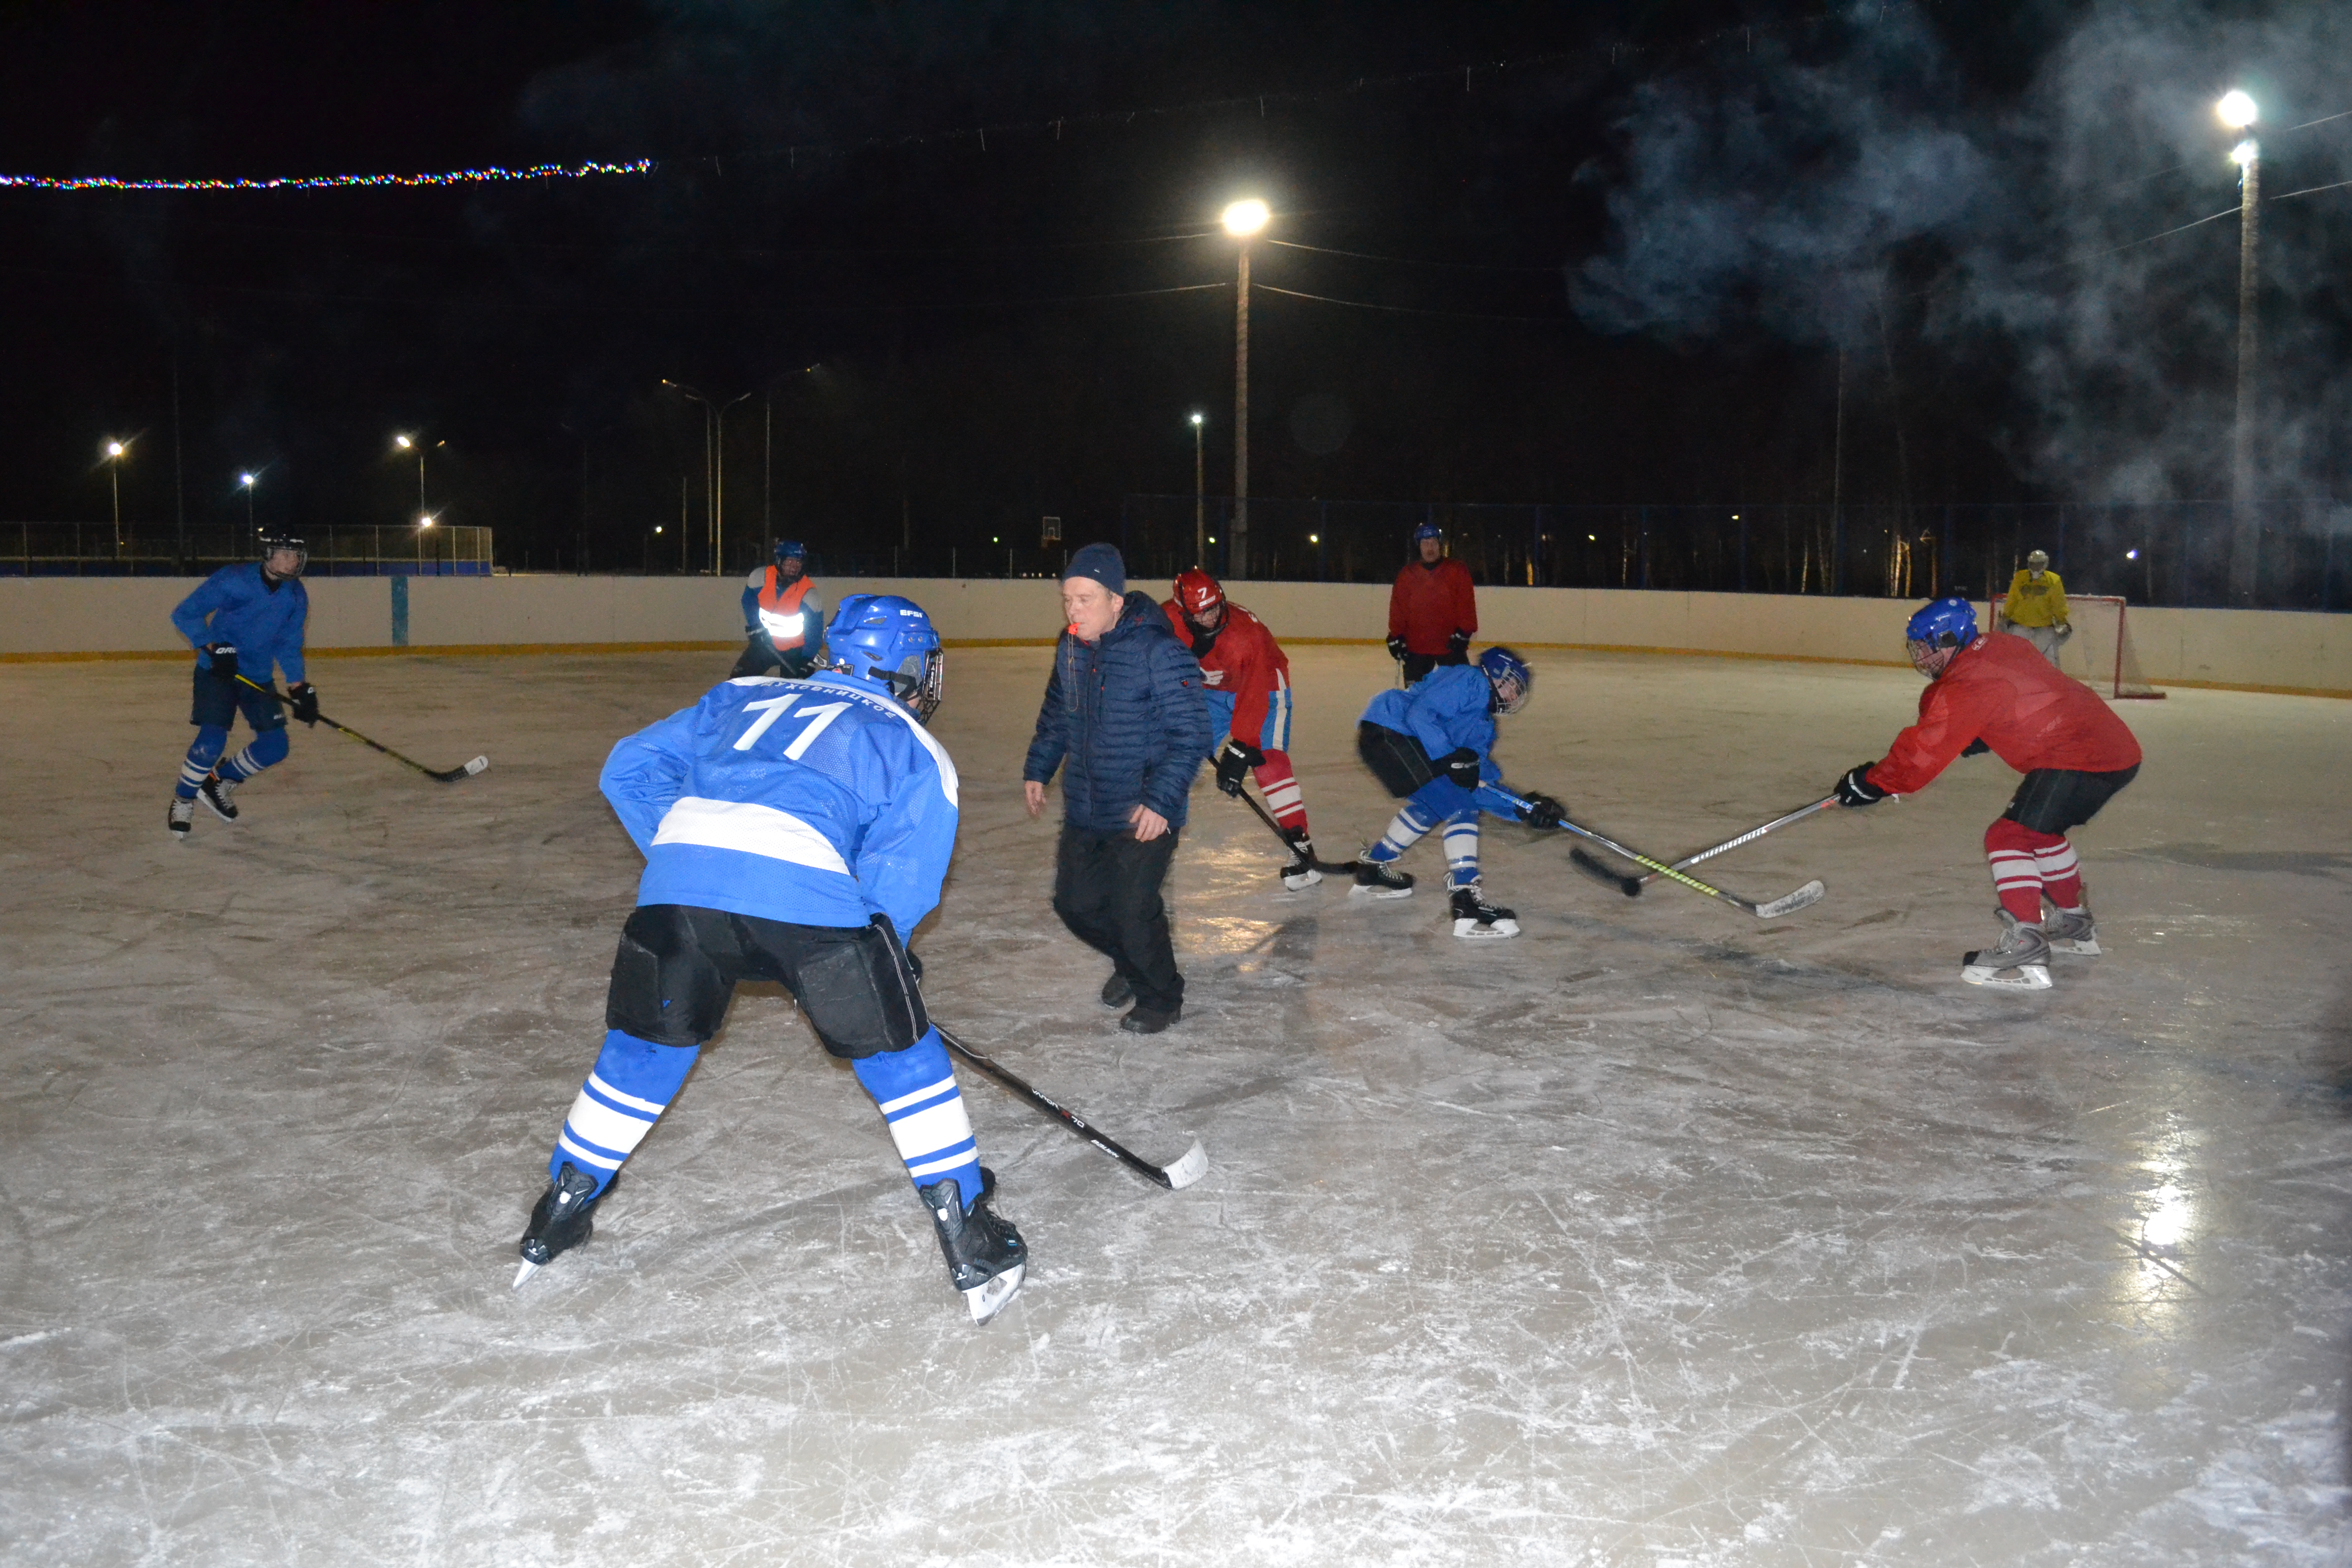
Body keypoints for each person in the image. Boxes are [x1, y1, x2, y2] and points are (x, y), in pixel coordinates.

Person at [516, 594, 1028, 1325]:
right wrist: (885, 954)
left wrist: (701, 856)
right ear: (910, 669)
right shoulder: (916, 748)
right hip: (808, 901)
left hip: (679, 894)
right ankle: (971, 1237)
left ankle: (558, 1213)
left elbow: (625, 771)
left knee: (641, 1053)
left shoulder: (741, 691)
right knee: (901, 1061)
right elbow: (900, 884)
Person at [1831, 596, 2142, 991]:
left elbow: (1920, 758)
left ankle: (2026, 943)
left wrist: (1870, 783)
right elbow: (2022, 694)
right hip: (2114, 750)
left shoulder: (1968, 684)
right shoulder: (2002, 645)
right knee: (2041, 832)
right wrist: (1982, 732)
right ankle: (2074, 922)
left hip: (2077, 756)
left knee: (2009, 836)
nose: (1922, 658)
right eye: (1917, 649)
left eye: (1928, 647)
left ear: (1953, 637)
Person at [1022, 544, 1213, 1034]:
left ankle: (1161, 996)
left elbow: (1192, 733)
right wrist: (1039, 769)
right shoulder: (1069, 648)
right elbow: (1055, 716)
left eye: (1084, 599)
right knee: (1076, 905)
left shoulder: (1158, 651)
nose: (1073, 610)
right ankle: (1133, 964)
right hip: (1087, 805)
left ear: (1115, 600)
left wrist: (1161, 801)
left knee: (1132, 910)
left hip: (1143, 810)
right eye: (1067, 599)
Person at [1351, 647, 1566, 940]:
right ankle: (1465, 901)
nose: (1515, 695)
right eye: (1511, 685)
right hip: (1390, 734)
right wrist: (1449, 758)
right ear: (1495, 675)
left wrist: (1524, 808)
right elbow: (1420, 714)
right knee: (1459, 807)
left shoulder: (1483, 726)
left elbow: (1476, 780)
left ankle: (1373, 867)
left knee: (1438, 803)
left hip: (1396, 741)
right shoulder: (1470, 680)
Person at [1162, 568, 1324, 889]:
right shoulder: (1164, 621)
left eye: (1216, 607)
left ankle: (1300, 844)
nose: (1213, 617)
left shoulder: (1246, 636)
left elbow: (1255, 695)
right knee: (1175, 758)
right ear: (1184, 612)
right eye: (1202, 612)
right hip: (1212, 690)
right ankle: (1160, 841)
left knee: (1267, 758)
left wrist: (1242, 746)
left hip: (1264, 683)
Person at [165, 534, 319, 838]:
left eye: (297, 555)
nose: (293, 561)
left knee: (275, 747)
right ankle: (183, 799)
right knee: (212, 741)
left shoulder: (296, 595)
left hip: (257, 676)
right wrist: (212, 647)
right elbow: (185, 613)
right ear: (267, 554)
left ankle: (218, 782)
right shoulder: (233, 580)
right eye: (286, 554)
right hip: (218, 673)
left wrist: (298, 686)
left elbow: (289, 644)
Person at [1386, 520, 1477, 683]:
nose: (1430, 547)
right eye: (1425, 543)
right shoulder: (1407, 575)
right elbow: (1398, 609)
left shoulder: (1457, 570)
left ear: (1440, 545)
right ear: (1419, 546)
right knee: (1415, 700)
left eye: (1434, 542)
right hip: (1416, 647)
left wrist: (1464, 632)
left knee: (1459, 695)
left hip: (1451, 645)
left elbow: (1466, 603)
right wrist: (1396, 636)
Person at [733, 538, 824, 679]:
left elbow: (815, 631)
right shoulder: (761, 578)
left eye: (798, 562)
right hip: (764, 643)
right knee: (737, 681)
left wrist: (807, 660)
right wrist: (755, 625)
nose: (794, 566)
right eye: (790, 561)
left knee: (793, 695)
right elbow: (748, 599)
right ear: (779, 561)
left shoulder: (808, 594)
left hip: (795, 652)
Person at [1995, 549, 2071, 667]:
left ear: (2045, 564)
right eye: (2033, 564)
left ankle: (2051, 683)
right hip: (2020, 623)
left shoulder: (2053, 580)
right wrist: (2006, 617)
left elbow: (2058, 603)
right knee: (2012, 656)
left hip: (2044, 625)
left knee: (2050, 659)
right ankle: (2011, 680)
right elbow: (2012, 599)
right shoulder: (2020, 578)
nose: (2036, 567)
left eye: (2039, 564)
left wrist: (2062, 620)